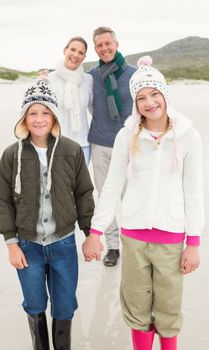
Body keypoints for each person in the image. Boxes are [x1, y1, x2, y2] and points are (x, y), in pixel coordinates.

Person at [83, 56, 204, 350]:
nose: (149, 102)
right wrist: (96, 233)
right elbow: (111, 187)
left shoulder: (188, 136)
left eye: (154, 94)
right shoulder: (127, 135)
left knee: (168, 308)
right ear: (135, 103)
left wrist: (194, 242)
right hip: (134, 235)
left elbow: (194, 191)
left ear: (164, 94)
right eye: (141, 97)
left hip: (172, 237)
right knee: (136, 306)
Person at [0, 80, 94, 350]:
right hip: (27, 246)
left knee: (64, 306)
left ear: (55, 116)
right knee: (35, 303)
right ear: (24, 117)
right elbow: (2, 199)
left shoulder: (71, 151)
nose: (39, 119)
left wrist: (90, 234)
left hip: (63, 243)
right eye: (33, 113)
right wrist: (11, 244)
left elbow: (84, 193)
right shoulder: (11, 154)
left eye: (45, 112)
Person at [88, 26, 136, 266]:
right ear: (95, 48)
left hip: (129, 148)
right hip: (100, 145)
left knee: (130, 198)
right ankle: (113, 246)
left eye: (108, 43)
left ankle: (132, 244)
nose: (104, 48)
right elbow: (87, 105)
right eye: (99, 45)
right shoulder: (92, 76)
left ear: (116, 44)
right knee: (106, 197)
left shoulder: (134, 74)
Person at [46, 36, 93, 165]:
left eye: (81, 52)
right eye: (72, 49)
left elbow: (96, 111)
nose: (76, 55)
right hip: (55, 144)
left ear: (84, 57)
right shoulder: (49, 79)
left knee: (80, 185)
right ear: (65, 50)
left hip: (82, 146)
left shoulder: (88, 80)